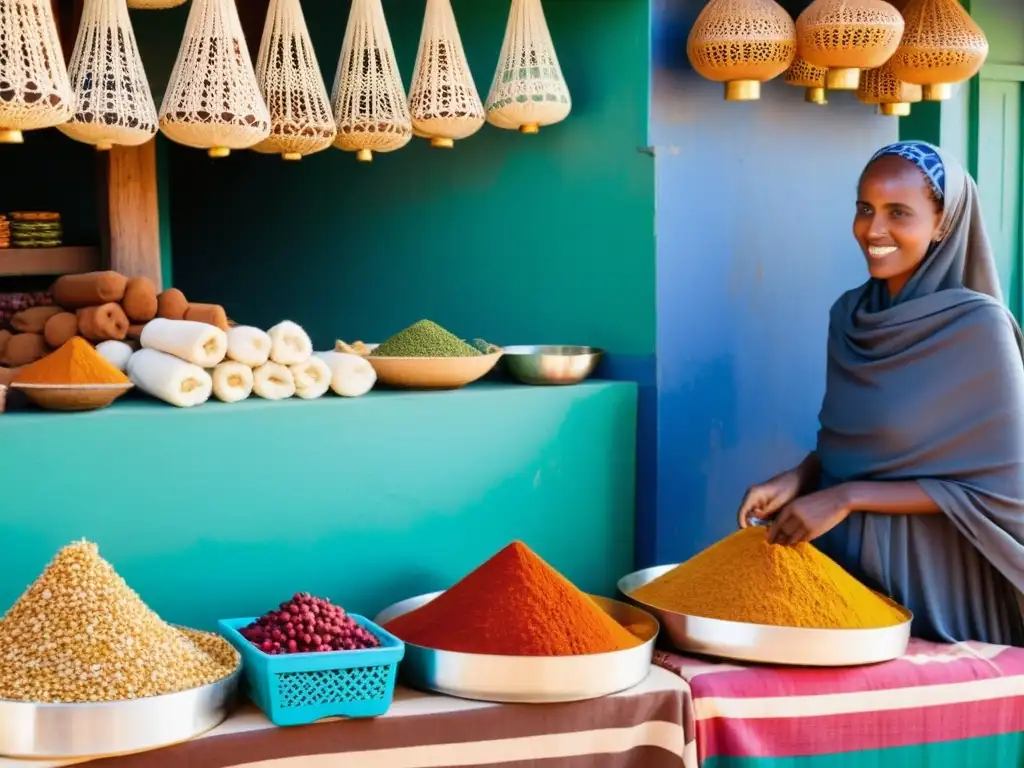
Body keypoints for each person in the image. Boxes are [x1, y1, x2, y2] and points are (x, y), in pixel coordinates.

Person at [736, 140, 1024, 645]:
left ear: (942, 225)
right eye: (865, 209)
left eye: (899, 213)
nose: (874, 230)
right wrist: (802, 478)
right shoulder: (849, 316)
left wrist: (846, 497)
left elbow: (1004, 486)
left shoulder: (978, 327)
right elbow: (858, 439)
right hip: (845, 567)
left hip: (938, 577)